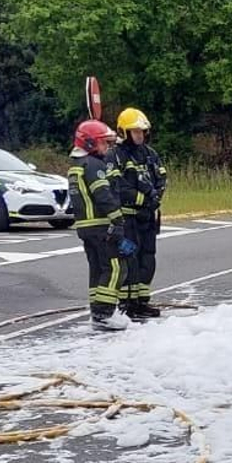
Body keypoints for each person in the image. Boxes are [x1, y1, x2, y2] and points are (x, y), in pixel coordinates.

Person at [68, 120, 129, 332]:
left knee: (97, 270)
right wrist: (118, 219)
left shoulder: (77, 166)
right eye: (104, 143)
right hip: (101, 226)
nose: (107, 148)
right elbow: (103, 196)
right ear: (91, 143)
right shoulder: (94, 166)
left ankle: (96, 312)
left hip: (86, 228)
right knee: (115, 268)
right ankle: (104, 314)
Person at [111, 107, 167, 320]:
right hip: (128, 219)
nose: (140, 135)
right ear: (124, 132)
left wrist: (155, 198)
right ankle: (127, 303)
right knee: (129, 260)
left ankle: (142, 301)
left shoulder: (150, 154)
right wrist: (144, 199)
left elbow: (162, 177)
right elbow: (120, 187)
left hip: (148, 218)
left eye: (142, 132)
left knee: (148, 258)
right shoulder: (116, 156)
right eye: (135, 132)